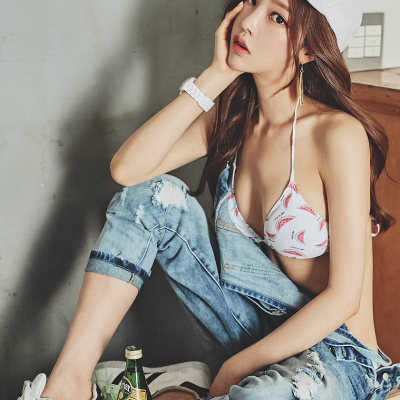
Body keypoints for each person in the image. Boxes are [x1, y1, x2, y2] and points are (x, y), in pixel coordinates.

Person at [19, 0, 400, 399]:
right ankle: (69, 383)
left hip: (335, 352)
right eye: (252, 2)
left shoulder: (337, 135)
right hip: (247, 328)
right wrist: (216, 75)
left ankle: (192, 389)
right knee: (152, 199)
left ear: (308, 49)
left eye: (277, 17)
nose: (247, 23)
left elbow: (343, 298)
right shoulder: (233, 118)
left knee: (255, 396)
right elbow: (127, 171)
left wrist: (237, 367)